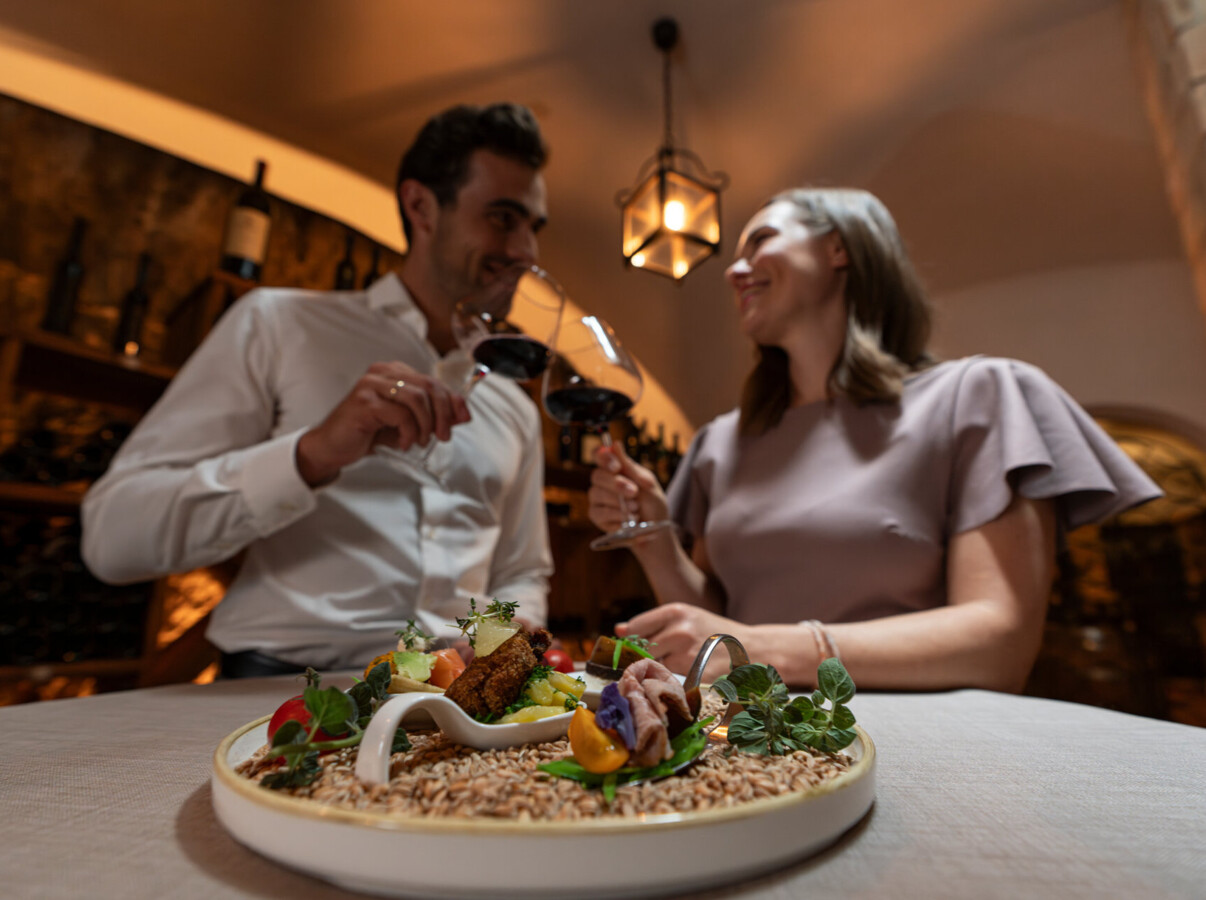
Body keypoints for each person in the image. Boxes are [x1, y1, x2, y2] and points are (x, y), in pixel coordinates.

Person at [589, 187, 1160, 693]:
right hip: (749, 746)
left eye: (760, 240)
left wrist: (760, 650)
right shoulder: (720, 443)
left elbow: (999, 645)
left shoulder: (977, 395)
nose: (734, 271)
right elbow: (716, 626)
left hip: (922, 747)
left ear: (839, 247)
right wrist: (655, 541)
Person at [81, 103, 554, 677]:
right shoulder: (275, 325)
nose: (527, 252)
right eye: (503, 218)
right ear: (421, 206)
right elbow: (112, 538)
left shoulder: (514, 406)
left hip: (456, 698)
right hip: (278, 690)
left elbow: (522, 572)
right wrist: (310, 455)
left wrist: (504, 637)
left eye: (534, 228)